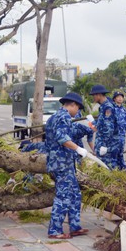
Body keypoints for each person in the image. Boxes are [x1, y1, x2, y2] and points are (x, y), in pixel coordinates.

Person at [44, 92, 93, 239]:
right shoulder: (63, 117)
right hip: (61, 164)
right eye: (78, 109)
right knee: (63, 195)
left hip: (65, 162)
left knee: (75, 194)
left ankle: (75, 226)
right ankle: (55, 230)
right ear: (72, 105)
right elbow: (61, 138)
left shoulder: (57, 117)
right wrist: (77, 148)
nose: (78, 112)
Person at [89, 84, 121, 169]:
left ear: (99, 95)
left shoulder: (108, 107)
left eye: (94, 95)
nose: (93, 98)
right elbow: (101, 125)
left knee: (107, 168)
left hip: (107, 145)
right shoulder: (103, 107)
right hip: (102, 143)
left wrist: (105, 146)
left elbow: (109, 128)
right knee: (101, 167)